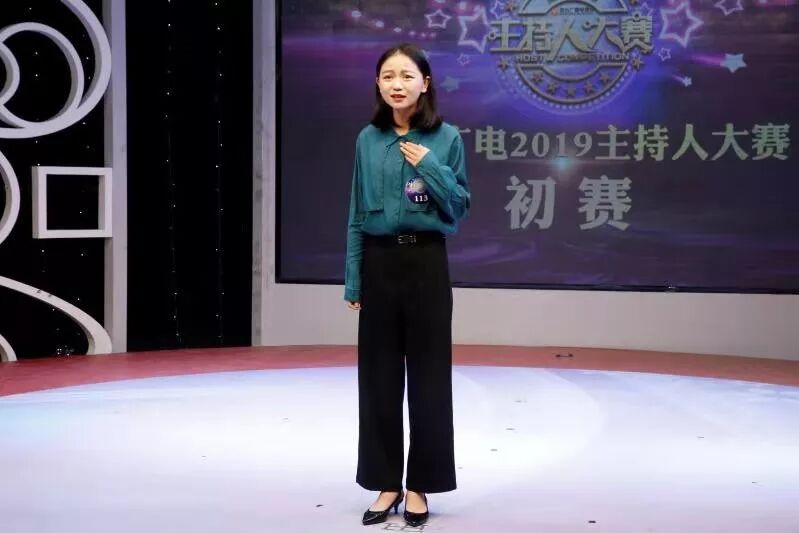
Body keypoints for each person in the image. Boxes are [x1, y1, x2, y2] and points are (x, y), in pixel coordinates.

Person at [344, 43, 470, 527]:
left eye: (406, 75)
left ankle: (420, 485)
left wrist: (430, 166)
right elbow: (357, 213)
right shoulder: (367, 138)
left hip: (426, 262)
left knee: (429, 378)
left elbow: (458, 207)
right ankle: (386, 483)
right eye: (387, 76)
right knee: (378, 379)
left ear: (426, 82)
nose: (397, 84)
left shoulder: (447, 137)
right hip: (379, 263)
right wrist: (354, 277)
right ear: (378, 84)